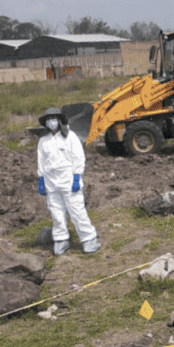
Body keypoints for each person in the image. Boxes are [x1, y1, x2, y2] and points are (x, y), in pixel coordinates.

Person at [37, 107, 100, 255]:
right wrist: (41, 181)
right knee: (56, 213)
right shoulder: (43, 140)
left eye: (54, 119)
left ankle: (89, 239)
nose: (51, 122)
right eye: (48, 119)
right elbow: (41, 162)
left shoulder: (70, 137)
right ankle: (61, 239)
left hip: (69, 181)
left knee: (77, 211)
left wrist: (77, 178)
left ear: (60, 120)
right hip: (51, 183)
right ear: (45, 123)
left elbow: (79, 158)